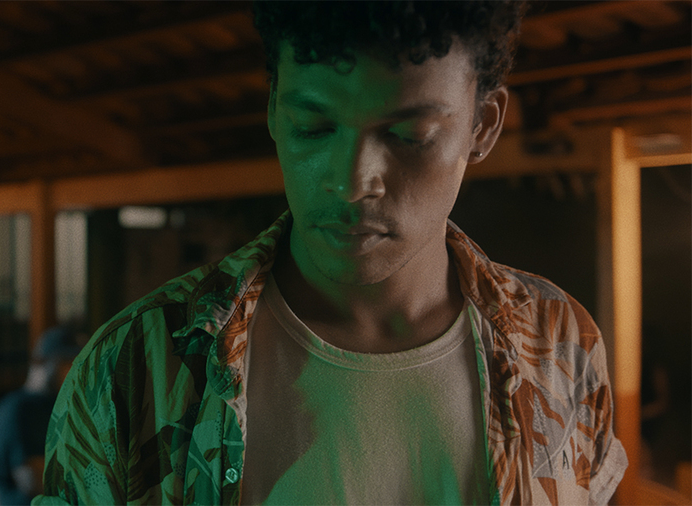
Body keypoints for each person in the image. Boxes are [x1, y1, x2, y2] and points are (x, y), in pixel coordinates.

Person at [35, 2, 627, 505]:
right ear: (274, 111)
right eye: (314, 127)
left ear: (484, 125)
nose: (351, 182)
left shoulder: (561, 349)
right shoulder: (135, 368)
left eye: (409, 136)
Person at [0, 326, 82, 505]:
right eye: (66, 362)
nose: (73, 372)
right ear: (39, 361)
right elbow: (34, 480)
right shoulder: (20, 409)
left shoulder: (55, 407)